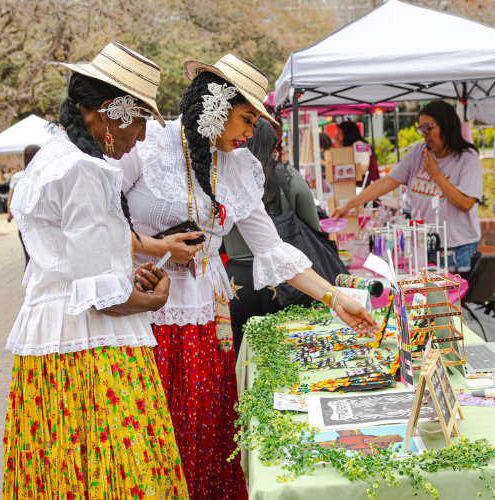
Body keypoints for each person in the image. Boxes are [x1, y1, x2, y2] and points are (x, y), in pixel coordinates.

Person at [111, 54, 376, 500]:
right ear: (215, 105)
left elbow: (271, 248)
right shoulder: (149, 144)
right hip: (142, 307)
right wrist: (158, 247)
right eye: (246, 119)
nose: (251, 134)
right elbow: (98, 218)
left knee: (202, 427)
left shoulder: (237, 168)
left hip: (203, 317)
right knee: (147, 431)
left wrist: (333, 297)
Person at [3, 43, 188, 498]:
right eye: (140, 119)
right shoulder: (82, 168)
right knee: (123, 475)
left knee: (70, 471)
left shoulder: (51, 158)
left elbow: (75, 267)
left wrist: (128, 281)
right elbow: (96, 293)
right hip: (92, 351)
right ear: (109, 113)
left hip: (54, 343)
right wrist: (152, 298)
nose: (142, 136)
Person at [332, 100, 483, 270]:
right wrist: (349, 204)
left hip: (456, 248)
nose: (423, 134)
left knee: (452, 295)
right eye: (421, 128)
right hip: (423, 243)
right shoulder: (418, 153)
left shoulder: (467, 158)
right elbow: (387, 182)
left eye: (428, 128)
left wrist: (436, 175)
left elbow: (465, 203)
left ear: (447, 125)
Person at [224, 119, 322, 355]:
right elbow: (313, 229)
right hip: (282, 278)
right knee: (286, 356)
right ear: (273, 143)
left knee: (240, 358)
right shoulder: (288, 177)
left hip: (235, 281)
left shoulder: (223, 176)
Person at [6, 145, 39, 266]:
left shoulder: (17, 177)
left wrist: (9, 214)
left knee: (28, 258)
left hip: (24, 221)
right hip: (40, 220)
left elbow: (11, 199)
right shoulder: (45, 174)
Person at [334, 120, 379, 188]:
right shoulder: (352, 146)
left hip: (364, 189)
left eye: (339, 131)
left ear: (347, 133)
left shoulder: (360, 145)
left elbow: (363, 169)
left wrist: (341, 170)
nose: (336, 134)